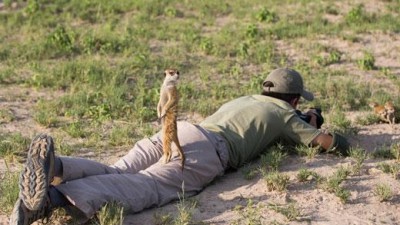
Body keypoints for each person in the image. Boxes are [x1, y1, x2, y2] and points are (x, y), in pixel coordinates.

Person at [9, 68, 350, 225]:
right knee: (146, 186)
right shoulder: (284, 113)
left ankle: (55, 167)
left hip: (184, 129)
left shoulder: (249, 98)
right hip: (207, 151)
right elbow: (329, 145)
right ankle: (52, 199)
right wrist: (313, 122)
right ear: (292, 99)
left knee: (119, 168)